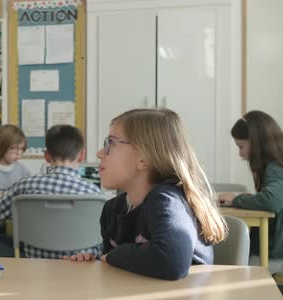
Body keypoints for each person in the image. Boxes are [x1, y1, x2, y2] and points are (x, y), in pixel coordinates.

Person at [65, 109, 227, 280]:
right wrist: (96, 259)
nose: (99, 153)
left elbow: (172, 263)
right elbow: (119, 267)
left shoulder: (166, 201)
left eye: (110, 143)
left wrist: (112, 256)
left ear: (143, 159)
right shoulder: (112, 210)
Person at [0, 125, 101, 258]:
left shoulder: (25, 185)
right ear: (81, 156)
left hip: (34, 269)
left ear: (46, 156)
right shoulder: (95, 193)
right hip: (82, 272)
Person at [218, 110, 283, 258]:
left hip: (276, 254)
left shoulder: (274, 168)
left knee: (233, 261)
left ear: (257, 143)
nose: (240, 153)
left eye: (241, 146)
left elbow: (272, 201)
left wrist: (235, 200)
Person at [0, 124, 31, 191]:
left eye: (21, 149)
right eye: (13, 148)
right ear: (1, 147)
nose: (19, 153)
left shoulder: (23, 169)